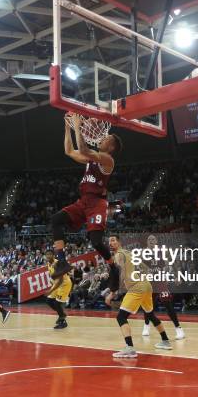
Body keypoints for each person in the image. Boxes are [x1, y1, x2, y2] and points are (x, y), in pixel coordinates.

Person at [50, 113, 123, 279]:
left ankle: (113, 267)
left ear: (111, 147)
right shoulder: (92, 160)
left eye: (107, 138)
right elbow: (69, 151)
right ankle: (62, 261)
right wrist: (67, 127)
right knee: (56, 219)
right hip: (83, 201)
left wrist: (77, 125)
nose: (103, 138)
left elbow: (83, 149)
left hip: (97, 203)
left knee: (96, 241)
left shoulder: (108, 160)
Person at [106, 235, 172, 358]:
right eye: (109, 241)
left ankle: (130, 348)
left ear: (119, 242)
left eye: (113, 240)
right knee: (150, 314)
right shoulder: (129, 253)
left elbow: (118, 274)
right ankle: (165, 341)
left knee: (121, 317)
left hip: (137, 287)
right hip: (146, 285)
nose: (111, 243)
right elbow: (145, 268)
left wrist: (112, 293)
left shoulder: (119, 255)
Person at [141, 235, 185, 340]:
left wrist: (176, 276)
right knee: (148, 306)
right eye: (149, 239)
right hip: (149, 282)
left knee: (168, 304)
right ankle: (146, 325)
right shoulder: (143, 253)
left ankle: (179, 329)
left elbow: (172, 262)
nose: (151, 240)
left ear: (156, 241)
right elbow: (139, 267)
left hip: (160, 282)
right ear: (147, 242)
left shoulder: (162, 251)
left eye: (153, 239)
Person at [44, 249, 72, 329]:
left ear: (54, 255)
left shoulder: (57, 264)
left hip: (64, 284)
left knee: (57, 304)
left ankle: (62, 320)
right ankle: (62, 315)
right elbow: (53, 276)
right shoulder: (49, 263)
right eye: (47, 254)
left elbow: (60, 281)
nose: (48, 256)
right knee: (49, 301)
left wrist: (50, 290)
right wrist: (51, 283)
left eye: (50, 254)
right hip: (57, 284)